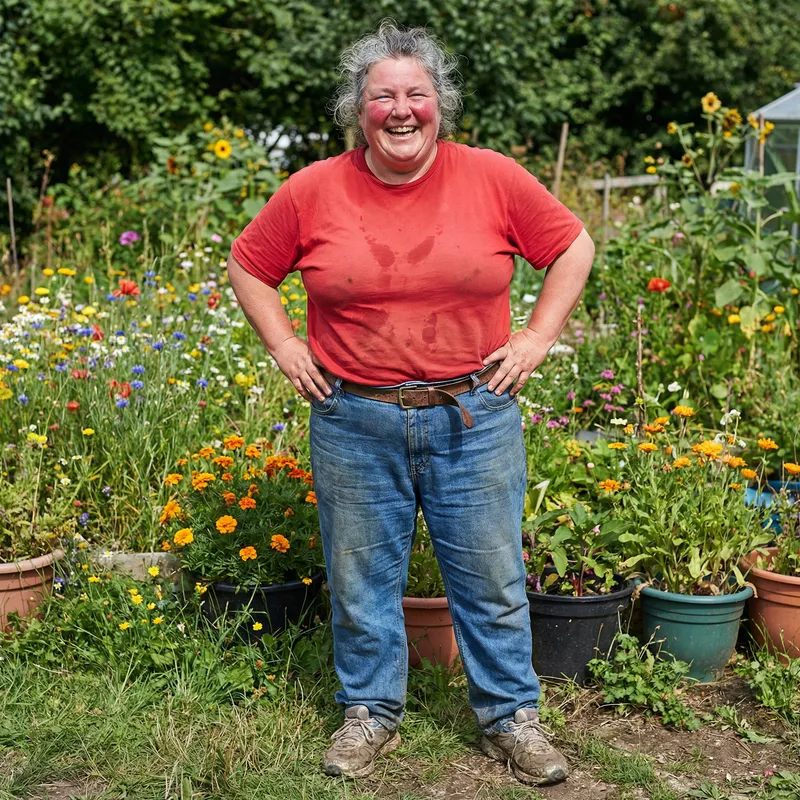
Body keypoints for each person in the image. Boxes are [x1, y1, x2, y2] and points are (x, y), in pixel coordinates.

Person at [227, 20, 594, 788]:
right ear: (356, 109)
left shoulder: (490, 175)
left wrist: (535, 337)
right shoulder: (313, 189)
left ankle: (510, 720)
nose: (401, 110)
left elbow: (572, 245)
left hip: (473, 414)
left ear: (440, 105)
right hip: (354, 418)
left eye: (416, 94)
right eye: (382, 95)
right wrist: (285, 346)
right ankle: (369, 715)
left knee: (491, 579)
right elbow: (250, 264)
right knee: (361, 580)